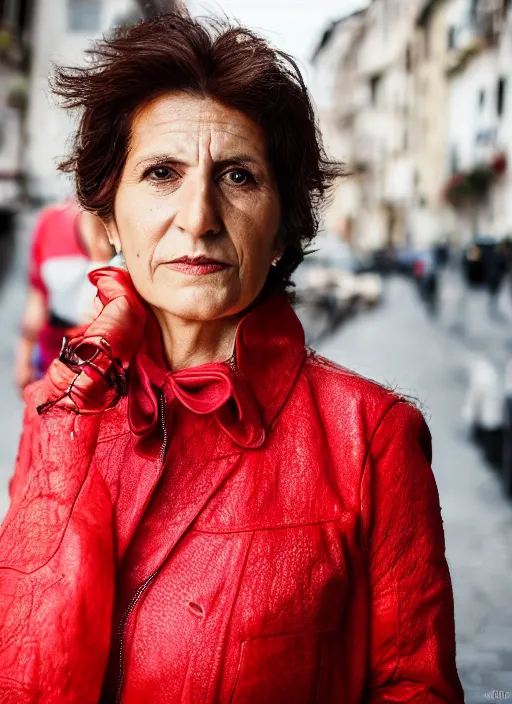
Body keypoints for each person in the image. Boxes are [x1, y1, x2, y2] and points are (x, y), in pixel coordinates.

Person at [0, 13, 464, 704]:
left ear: (282, 229)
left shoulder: (371, 437)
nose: (199, 216)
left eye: (239, 176)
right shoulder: (60, 408)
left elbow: (412, 687)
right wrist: (78, 399)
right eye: (161, 173)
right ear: (108, 221)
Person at [14, 200, 113, 390]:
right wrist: (24, 357)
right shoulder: (51, 220)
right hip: (55, 357)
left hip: (111, 366)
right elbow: (39, 294)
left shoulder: (129, 219)